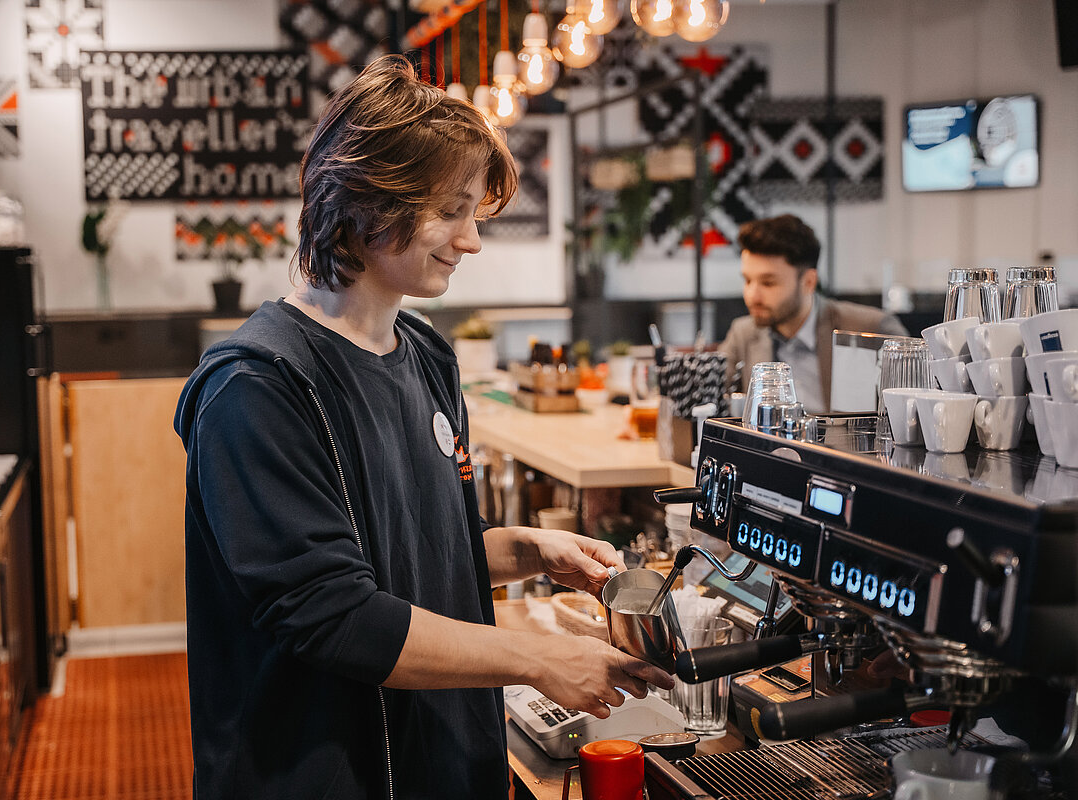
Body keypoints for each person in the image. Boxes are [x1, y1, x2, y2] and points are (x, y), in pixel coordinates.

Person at [173, 55, 672, 800]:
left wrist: (528, 550)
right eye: (451, 211)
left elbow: (416, 556)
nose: (471, 240)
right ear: (367, 200)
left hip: (448, 763)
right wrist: (537, 658)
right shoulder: (258, 386)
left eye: (474, 213)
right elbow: (334, 614)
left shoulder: (426, 354)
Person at [719, 214, 908, 411]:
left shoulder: (871, 329)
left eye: (768, 283)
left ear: (808, 282)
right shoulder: (743, 334)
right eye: (747, 280)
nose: (752, 295)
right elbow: (712, 398)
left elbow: (909, 413)